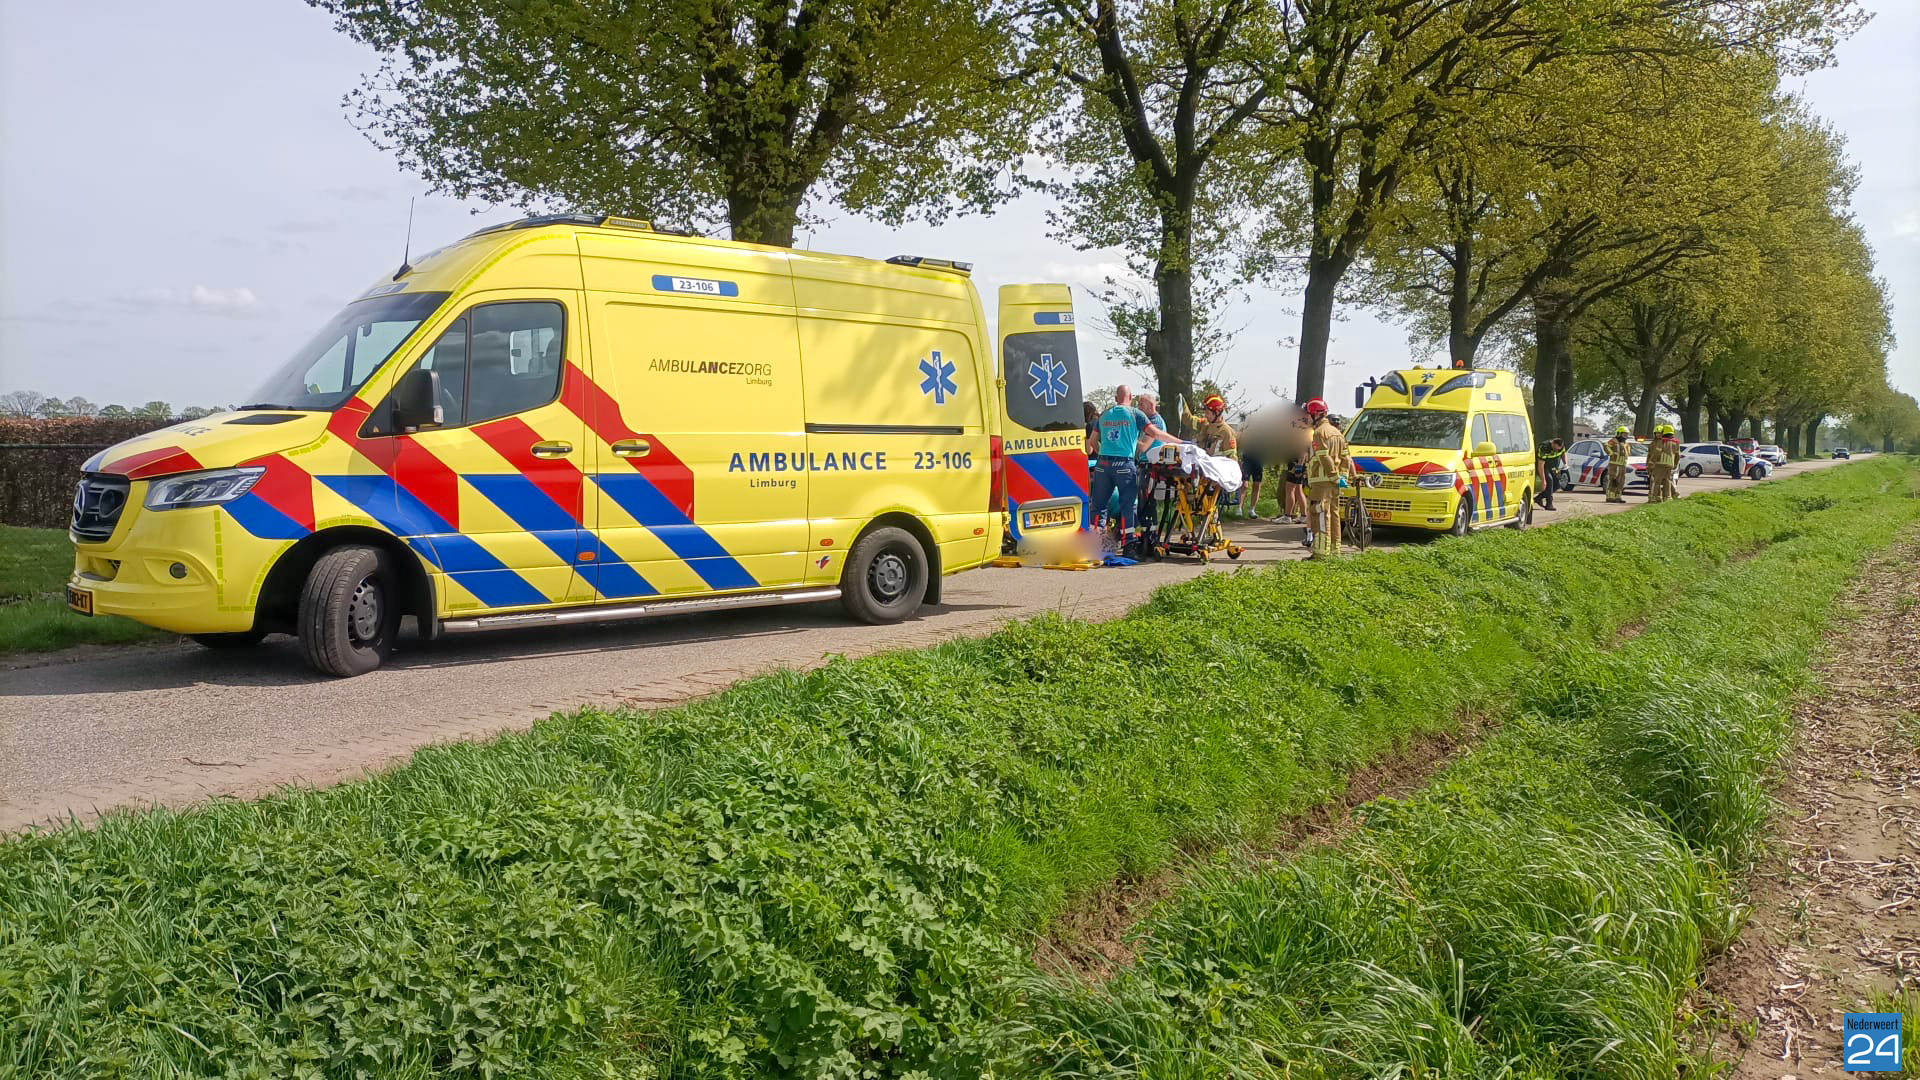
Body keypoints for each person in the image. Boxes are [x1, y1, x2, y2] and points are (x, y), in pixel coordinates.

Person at [1089, 385, 1178, 551]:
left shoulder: (1104, 414)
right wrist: (1181, 442)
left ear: (1116, 398)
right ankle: (1128, 544)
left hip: (1103, 466)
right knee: (1128, 505)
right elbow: (1156, 433)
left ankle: (1095, 545)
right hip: (1124, 464)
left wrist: (1102, 454)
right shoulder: (1135, 414)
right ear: (1130, 397)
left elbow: (1092, 441)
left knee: (1099, 506)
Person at [1303, 398, 1352, 558]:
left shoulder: (1319, 433)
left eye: (1308, 415)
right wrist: (1342, 476)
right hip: (1334, 484)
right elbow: (1346, 458)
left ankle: (1321, 554)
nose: (1307, 419)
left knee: (1320, 514)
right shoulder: (1337, 433)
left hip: (1322, 482)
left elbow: (1324, 457)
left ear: (1316, 414)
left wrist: (1333, 476)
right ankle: (1334, 551)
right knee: (1334, 514)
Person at [1535, 437, 1566, 511]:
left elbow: (1563, 454)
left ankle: (1538, 498)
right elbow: (1540, 465)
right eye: (1555, 449)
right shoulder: (1544, 448)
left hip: (1554, 467)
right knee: (1549, 481)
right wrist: (1543, 480)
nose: (1557, 450)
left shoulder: (1561, 447)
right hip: (1544, 467)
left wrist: (1565, 463)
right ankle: (1549, 504)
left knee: (1557, 485)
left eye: (1558, 449)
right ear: (1553, 443)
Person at [1604, 426, 1631, 503]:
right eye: (1624, 434)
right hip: (1614, 464)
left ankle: (1618, 497)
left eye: (1626, 434)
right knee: (1613, 481)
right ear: (1619, 434)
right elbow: (1606, 446)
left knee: (1621, 481)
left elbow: (1627, 452)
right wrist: (1611, 453)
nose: (1626, 435)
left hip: (1622, 465)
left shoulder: (1626, 443)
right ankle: (1610, 497)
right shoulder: (1613, 441)